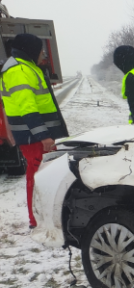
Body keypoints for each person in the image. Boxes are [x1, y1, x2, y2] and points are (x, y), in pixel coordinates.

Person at [0, 33, 68, 229]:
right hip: (34, 138)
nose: (44, 53)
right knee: (38, 177)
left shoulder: (27, 67)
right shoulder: (18, 70)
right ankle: (37, 220)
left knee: (45, 175)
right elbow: (27, 107)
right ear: (30, 50)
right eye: (40, 49)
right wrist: (43, 135)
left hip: (37, 137)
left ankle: (46, 216)